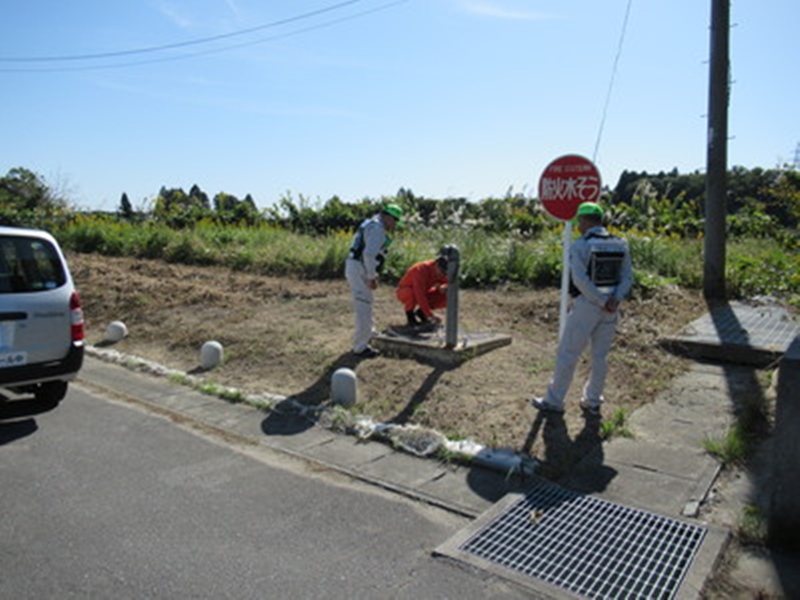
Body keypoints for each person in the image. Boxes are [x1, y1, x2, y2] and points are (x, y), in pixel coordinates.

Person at [531, 201, 633, 417]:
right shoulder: (620, 244)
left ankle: (554, 400)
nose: (578, 226)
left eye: (579, 221)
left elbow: (579, 279)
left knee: (568, 352)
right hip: (611, 309)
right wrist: (614, 299)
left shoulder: (580, 245)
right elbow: (627, 277)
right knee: (600, 356)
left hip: (588, 306)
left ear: (585, 221)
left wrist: (599, 299)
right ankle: (593, 401)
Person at [345, 203, 403, 358]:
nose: (395, 225)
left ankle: (369, 334)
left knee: (367, 301)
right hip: (360, 268)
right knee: (363, 305)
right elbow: (369, 255)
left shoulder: (370, 223)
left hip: (357, 266)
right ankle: (360, 347)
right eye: (395, 221)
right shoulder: (377, 229)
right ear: (389, 217)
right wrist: (372, 277)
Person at [396, 255, 448, 326]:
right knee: (412, 293)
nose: (443, 275)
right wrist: (429, 315)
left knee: (446, 295)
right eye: (442, 272)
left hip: (424, 291)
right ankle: (410, 316)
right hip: (405, 291)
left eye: (445, 273)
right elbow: (419, 294)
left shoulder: (440, 272)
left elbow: (447, 282)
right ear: (436, 265)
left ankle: (421, 313)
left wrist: (444, 286)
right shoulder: (420, 269)